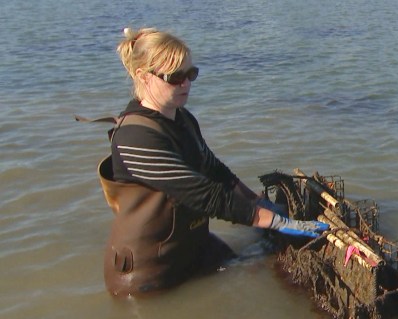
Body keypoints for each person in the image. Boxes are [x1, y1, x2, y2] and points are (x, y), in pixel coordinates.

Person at [96, 27, 328, 297]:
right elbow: (204, 195)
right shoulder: (135, 137)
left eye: (191, 74)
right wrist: (275, 222)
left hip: (193, 245)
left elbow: (215, 171)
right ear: (142, 77)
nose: (186, 84)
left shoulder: (181, 118)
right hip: (148, 273)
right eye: (175, 77)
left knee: (257, 267)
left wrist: (257, 202)